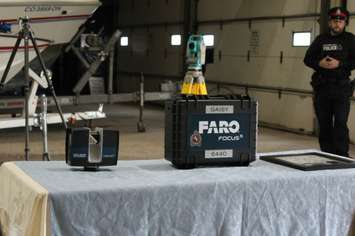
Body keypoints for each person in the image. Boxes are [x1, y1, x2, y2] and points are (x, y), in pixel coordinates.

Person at [304, 7, 355, 157]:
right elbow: (307, 59)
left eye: (340, 21)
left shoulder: (350, 40)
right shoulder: (321, 39)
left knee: (340, 122)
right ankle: (326, 154)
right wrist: (319, 64)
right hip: (323, 87)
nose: (337, 23)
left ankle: (342, 155)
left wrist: (339, 64)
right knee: (324, 124)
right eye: (334, 20)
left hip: (341, 88)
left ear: (345, 23)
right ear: (330, 22)